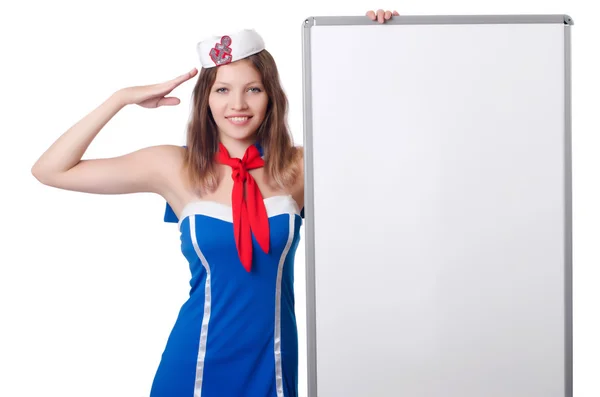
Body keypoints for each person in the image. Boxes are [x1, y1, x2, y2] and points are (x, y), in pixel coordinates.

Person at [31, 8, 399, 397]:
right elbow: (51, 170)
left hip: (271, 363)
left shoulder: (300, 166)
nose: (237, 104)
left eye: (253, 89)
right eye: (222, 89)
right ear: (205, 98)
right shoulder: (174, 166)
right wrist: (121, 98)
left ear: (271, 96)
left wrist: (375, 43)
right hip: (195, 365)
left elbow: (385, 153)